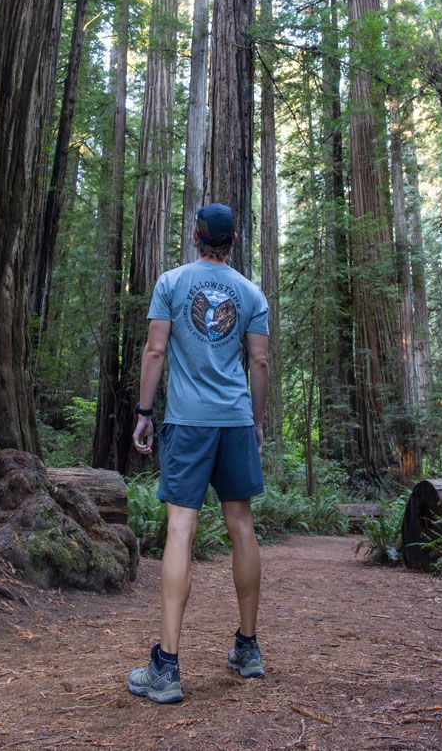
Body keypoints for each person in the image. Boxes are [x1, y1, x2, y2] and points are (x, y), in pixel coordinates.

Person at [127, 203, 270, 704]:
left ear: (196, 236)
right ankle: (248, 648)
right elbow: (259, 361)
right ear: (233, 240)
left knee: (180, 530)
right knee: (241, 525)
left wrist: (144, 411)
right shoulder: (251, 293)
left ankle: (167, 667)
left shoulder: (171, 282)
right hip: (234, 420)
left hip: (187, 421)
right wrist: (255, 423)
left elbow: (155, 351)